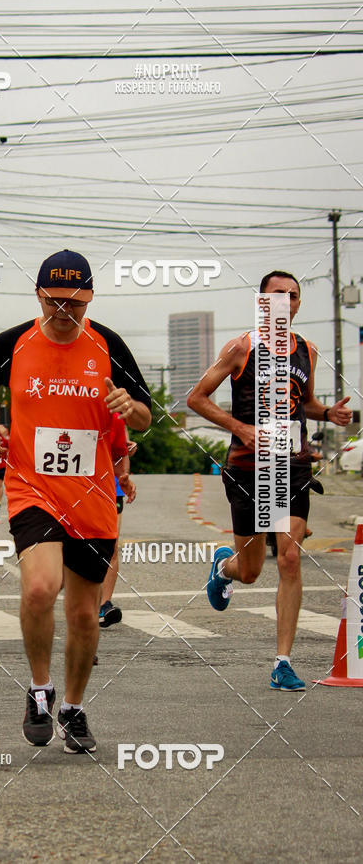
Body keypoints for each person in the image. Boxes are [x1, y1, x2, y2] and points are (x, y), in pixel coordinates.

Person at [0, 249, 152, 753]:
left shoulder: (108, 345)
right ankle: (39, 689)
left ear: (90, 299)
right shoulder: (12, 343)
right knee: (39, 588)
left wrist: (129, 405)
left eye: (75, 303)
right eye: (54, 301)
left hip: (93, 496)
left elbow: (145, 417)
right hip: (32, 486)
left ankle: (72, 707)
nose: (64, 312)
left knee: (82, 615)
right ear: (38, 296)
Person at [187, 270, 352, 691]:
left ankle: (282, 662)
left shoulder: (308, 352)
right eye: (278, 294)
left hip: (291, 465)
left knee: (291, 558)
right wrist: (240, 429)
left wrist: (328, 413)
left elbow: (308, 404)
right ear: (261, 301)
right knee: (251, 570)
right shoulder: (241, 347)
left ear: (298, 305)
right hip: (247, 467)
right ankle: (225, 568)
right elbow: (196, 398)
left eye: (293, 296)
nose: (286, 301)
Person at [99, 414, 137, 629]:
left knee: (112, 546)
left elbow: (122, 446)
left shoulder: (115, 410)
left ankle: (104, 604)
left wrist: (125, 474)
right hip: (78, 484)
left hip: (111, 486)